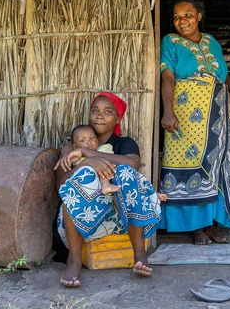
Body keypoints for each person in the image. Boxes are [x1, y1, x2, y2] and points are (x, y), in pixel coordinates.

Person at [54, 92, 161, 288]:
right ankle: (74, 260)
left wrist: (88, 153)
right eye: (95, 111)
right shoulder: (71, 146)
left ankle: (139, 254)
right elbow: (60, 186)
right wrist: (86, 165)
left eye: (108, 111)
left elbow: (133, 165)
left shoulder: (125, 143)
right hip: (79, 218)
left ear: (118, 118)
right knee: (83, 174)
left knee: (126, 173)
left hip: (120, 219)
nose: (100, 115)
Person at [158, 0, 230, 245]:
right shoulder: (170, 41)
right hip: (187, 112)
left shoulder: (212, 42)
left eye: (188, 15)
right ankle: (195, 227)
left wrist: (229, 104)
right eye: (177, 17)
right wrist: (168, 111)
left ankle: (212, 224)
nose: (182, 21)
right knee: (188, 163)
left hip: (217, 113)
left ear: (199, 17)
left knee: (215, 166)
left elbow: (225, 75)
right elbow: (167, 77)